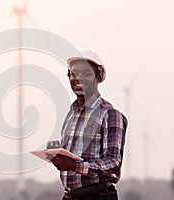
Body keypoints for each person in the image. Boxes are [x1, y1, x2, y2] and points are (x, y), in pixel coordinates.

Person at [50, 49, 128, 200]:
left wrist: (75, 166)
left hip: (97, 196)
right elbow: (76, 155)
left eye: (86, 74)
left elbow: (113, 164)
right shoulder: (71, 115)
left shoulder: (110, 115)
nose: (78, 78)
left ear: (98, 77)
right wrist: (57, 153)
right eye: (74, 74)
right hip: (69, 196)